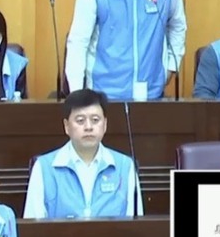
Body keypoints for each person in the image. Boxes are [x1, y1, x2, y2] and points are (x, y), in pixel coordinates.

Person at [24, 89, 142, 219]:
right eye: (80, 121)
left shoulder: (125, 167)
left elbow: (137, 225)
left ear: (105, 125)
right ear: (66, 126)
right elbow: (32, 225)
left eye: (95, 120)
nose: (88, 127)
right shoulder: (43, 167)